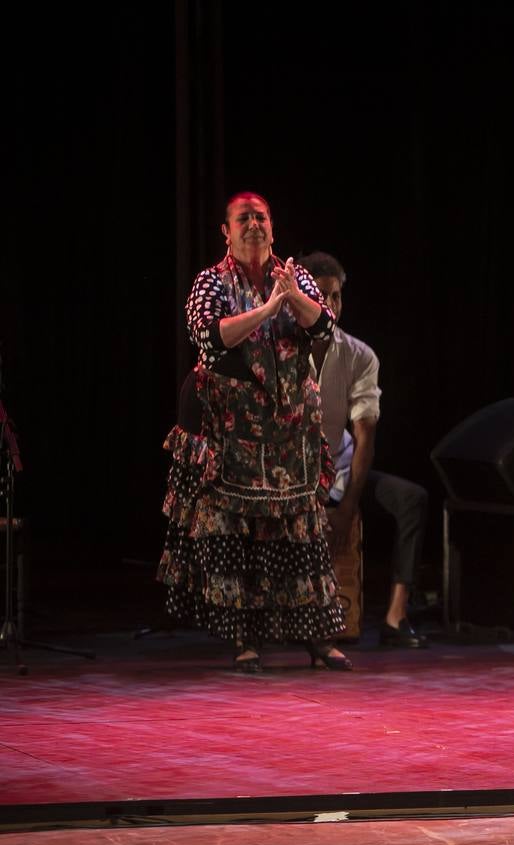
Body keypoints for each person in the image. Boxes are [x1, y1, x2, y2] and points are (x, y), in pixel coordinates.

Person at [158, 192, 351, 672]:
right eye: (242, 218)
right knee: (235, 533)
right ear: (226, 231)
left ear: (273, 227)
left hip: (288, 431)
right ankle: (244, 640)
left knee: (299, 533)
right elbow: (209, 335)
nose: (253, 225)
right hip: (233, 428)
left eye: (260, 217)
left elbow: (324, 327)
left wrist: (293, 297)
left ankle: (317, 639)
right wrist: (266, 311)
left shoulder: (294, 276)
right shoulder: (211, 282)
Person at [297, 252, 430, 648]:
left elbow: (365, 437)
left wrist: (348, 507)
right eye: (321, 295)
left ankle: (395, 616)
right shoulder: (281, 350)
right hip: (293, 478)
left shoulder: (358, 355)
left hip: (340, 472)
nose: (331, 305)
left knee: (411, 499)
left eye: (337, 297)